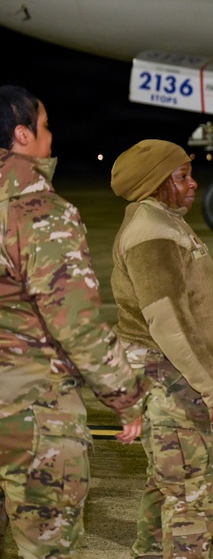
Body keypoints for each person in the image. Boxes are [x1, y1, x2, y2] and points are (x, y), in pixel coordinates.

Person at [0, 85, 146, 559]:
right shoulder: (40, 213)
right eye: (44, 126)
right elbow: (77, 325)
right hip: (30, 413)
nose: (51, 136)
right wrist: (124, 397)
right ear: (22, 134)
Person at [110, 139, 213, 559]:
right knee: (189, 490)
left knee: (166, 482)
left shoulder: (160, 219)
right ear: (156, 184)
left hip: (169, 372)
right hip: (169, 375)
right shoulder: (152, 232)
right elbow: (167, 321)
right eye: (181, 176)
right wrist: (211, 388)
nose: (193, 183)